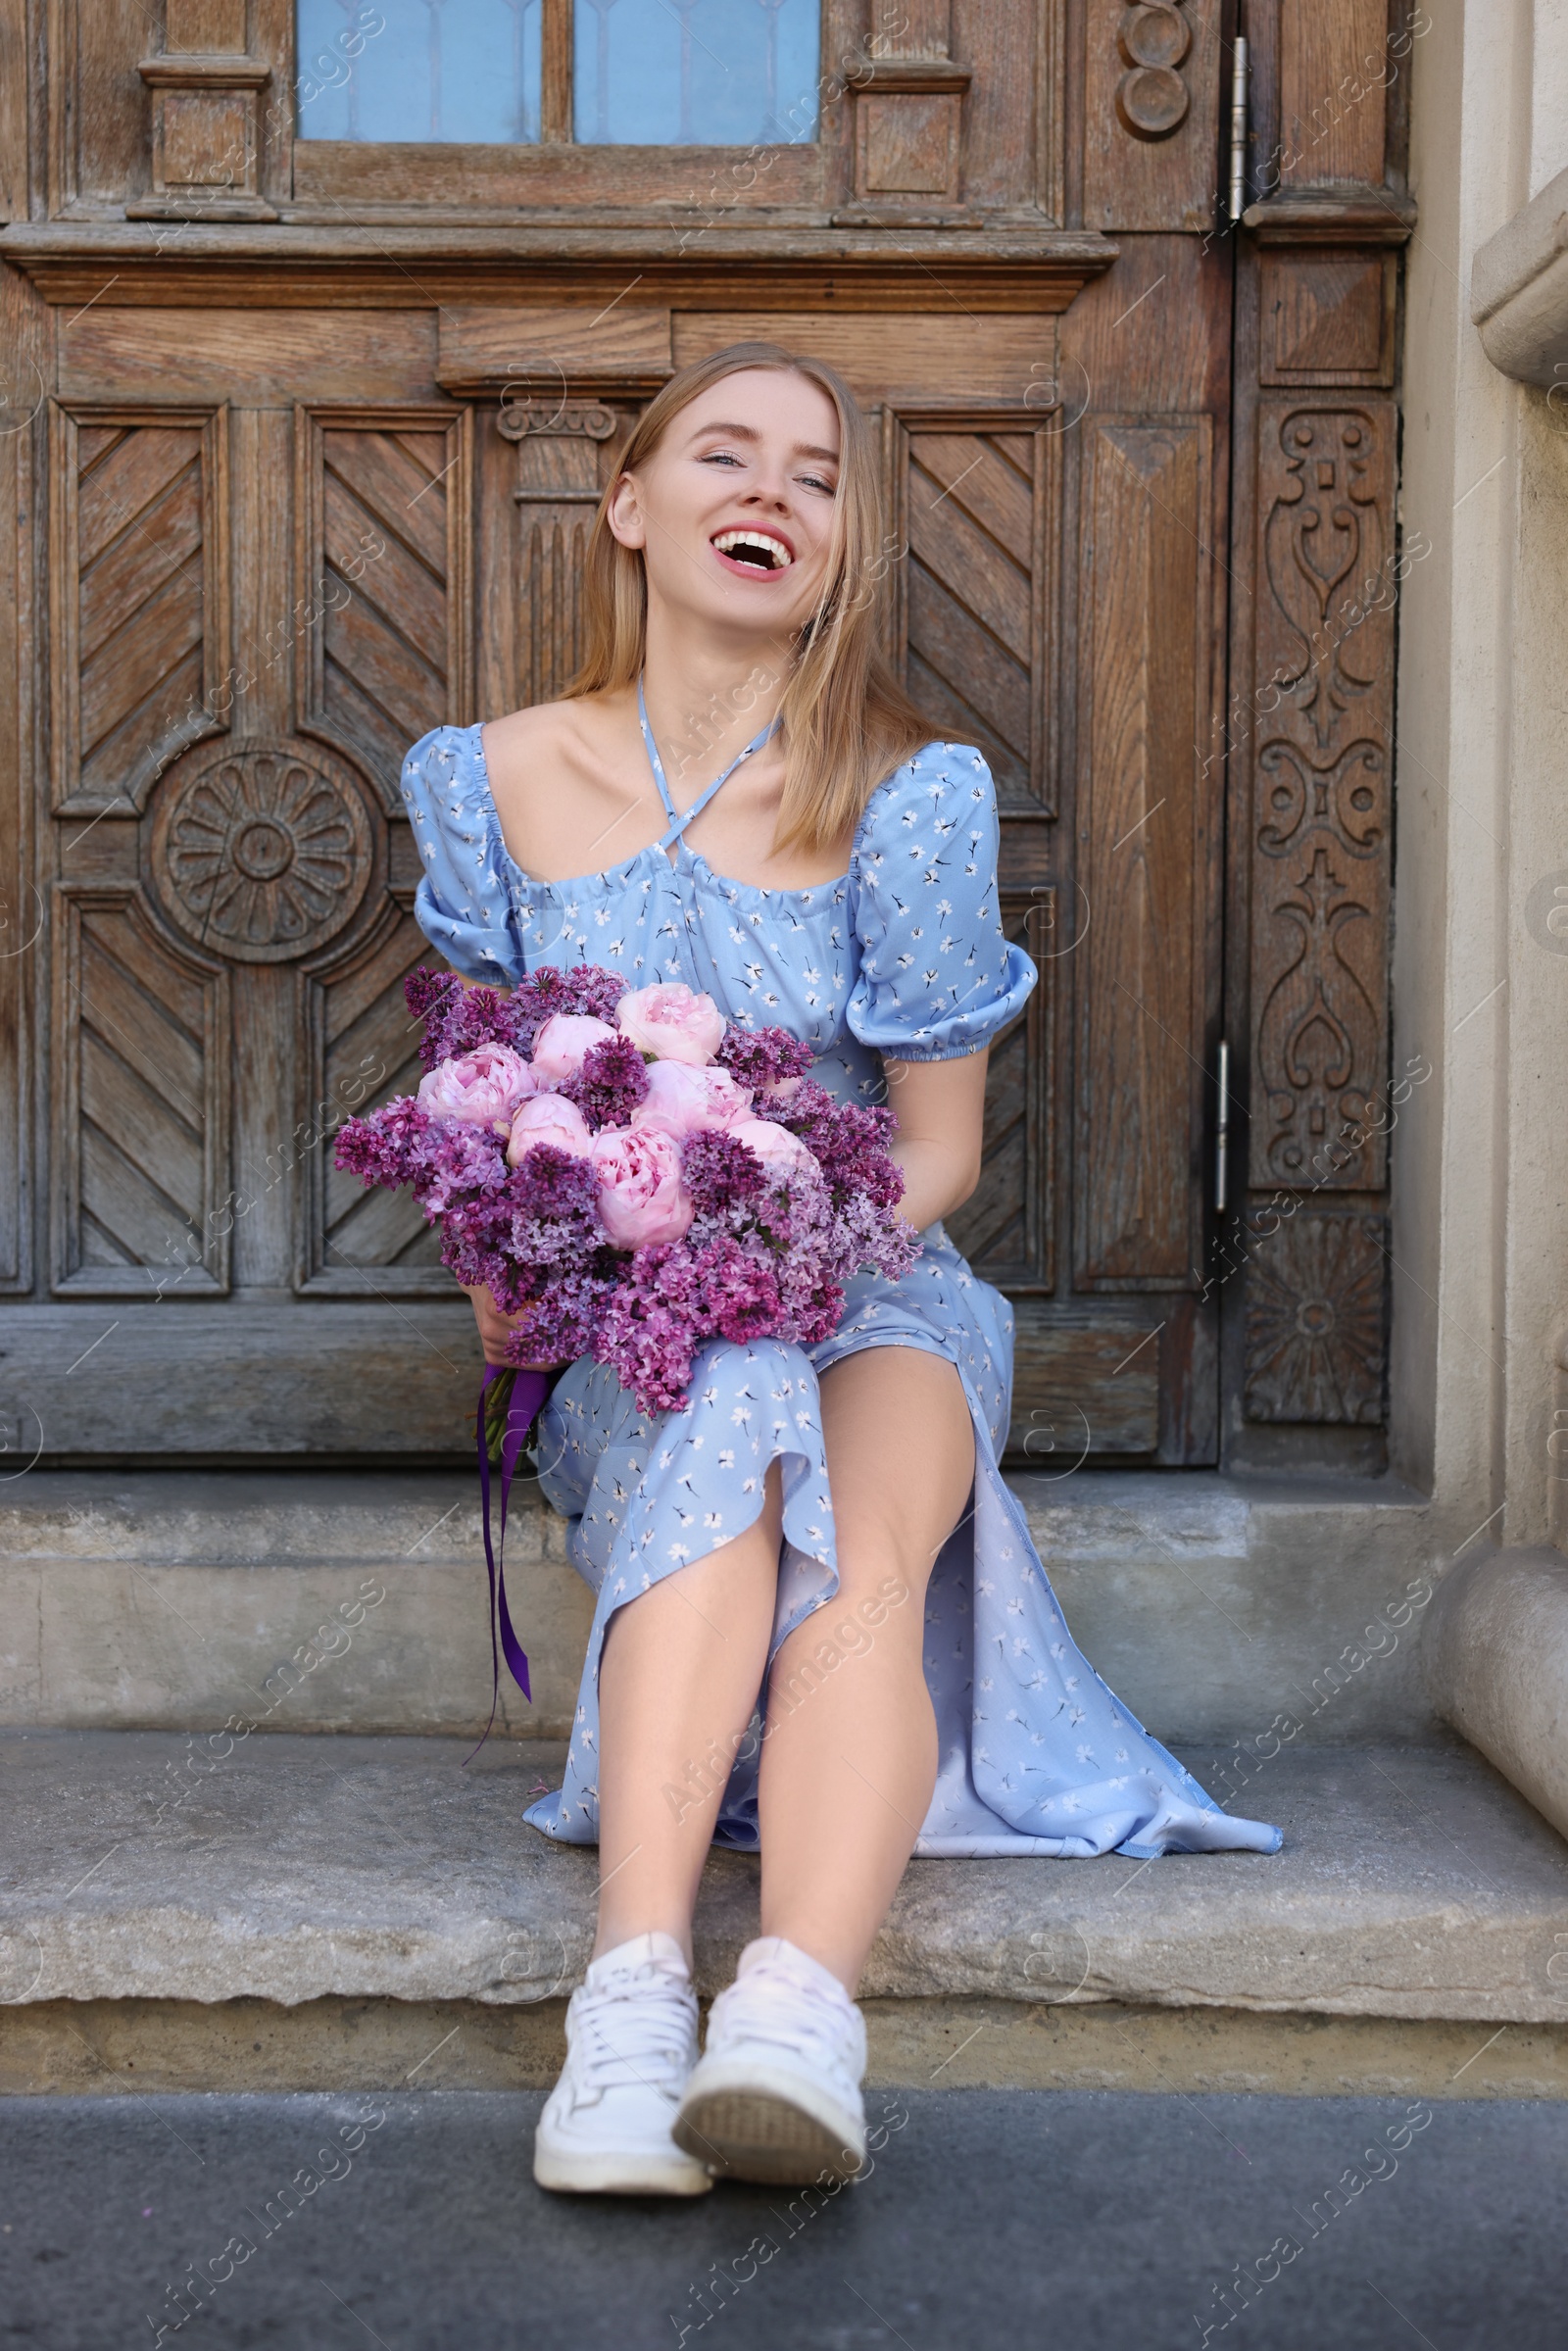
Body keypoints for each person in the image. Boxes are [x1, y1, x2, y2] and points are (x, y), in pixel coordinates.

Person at [400, 342, 1280, 2199]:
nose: (773, 496)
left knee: (861, 1546)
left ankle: (795, 2021)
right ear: (630, 509)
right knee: (723, 1412)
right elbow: (484, 1098)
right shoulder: (485, 779)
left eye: (815, 477)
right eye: (727, 457)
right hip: (628, 1328)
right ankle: (628, 2019)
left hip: (875, 1276)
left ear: (839, 543)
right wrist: (519, 1260)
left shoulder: (910, 793)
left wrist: (782, 1255)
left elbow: (941, 1149)